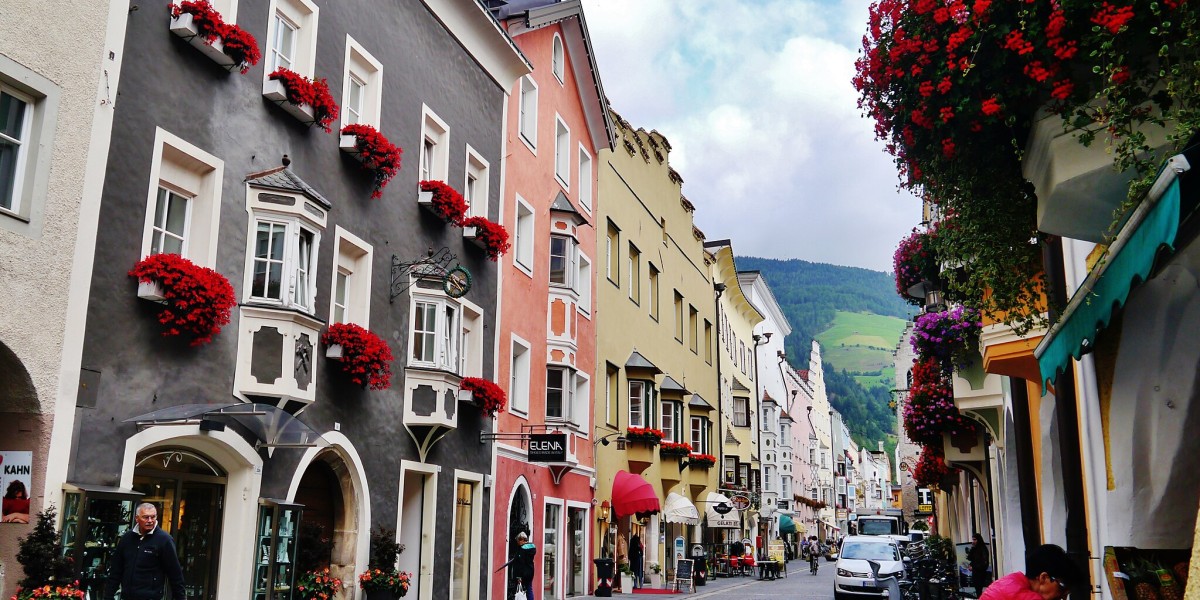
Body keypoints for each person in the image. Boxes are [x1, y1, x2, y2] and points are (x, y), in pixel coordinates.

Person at [104, 502, 185, 600]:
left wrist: (180, 597)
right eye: (146, 517)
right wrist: (108, 595)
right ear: (137, 518)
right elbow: (116, 570)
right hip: (127, 596)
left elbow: (175, 574)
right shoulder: (127, 538)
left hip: (151, 596)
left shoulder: (164, 540)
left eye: (153, 517)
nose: (150, 521)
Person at [980, 544, 1084, 600]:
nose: (1063, 598)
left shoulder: (1012, 580)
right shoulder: (1026, 596)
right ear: (1044, 578)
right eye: (1062, 587)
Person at [510, 531, 537, 600]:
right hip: (530, 572)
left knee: (520, 591)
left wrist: (519, 576)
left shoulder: (522, 549)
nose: (517, 542)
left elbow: (520, 564)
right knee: (529, 589)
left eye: (518, 540)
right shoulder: (532, 548)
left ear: (522, 540)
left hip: (523, 573)